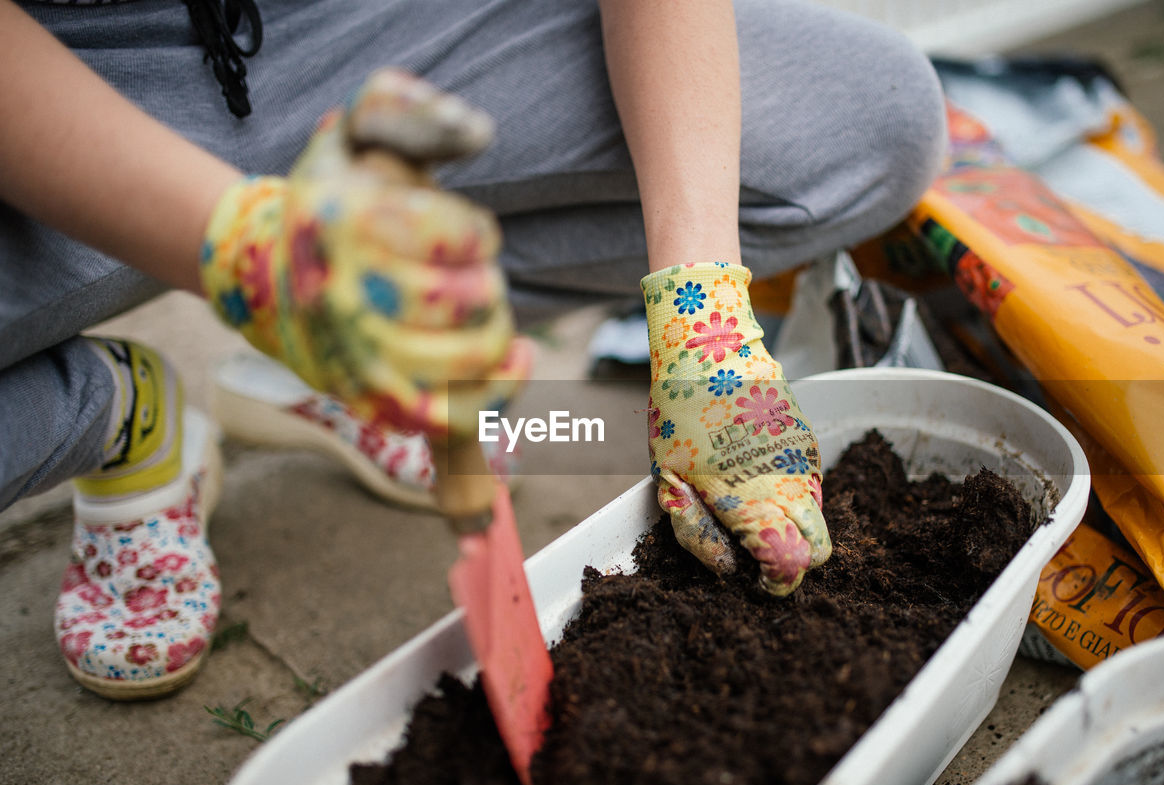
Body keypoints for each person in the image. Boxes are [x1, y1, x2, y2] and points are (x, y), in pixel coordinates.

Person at [0, 0, 947, 699]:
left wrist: (705, 317)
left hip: (361, 25)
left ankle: (350, 354)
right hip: (58, 81)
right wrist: (257, 258)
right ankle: (117, 419)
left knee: (869, 122)